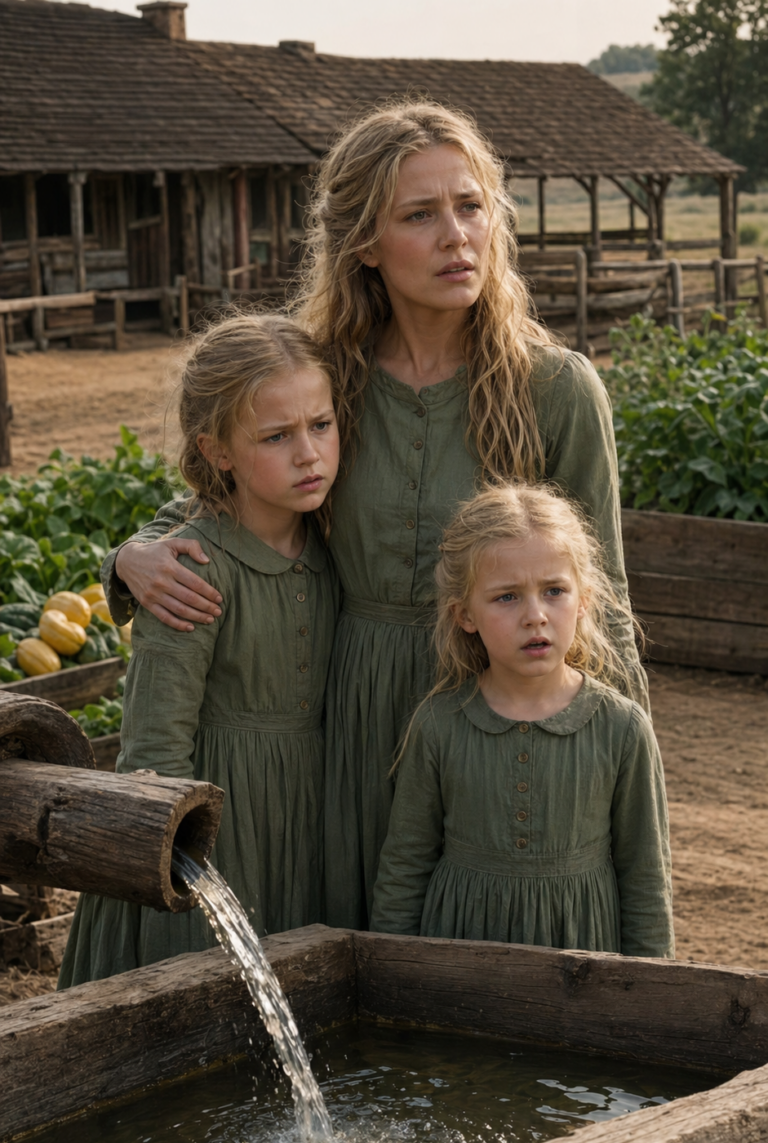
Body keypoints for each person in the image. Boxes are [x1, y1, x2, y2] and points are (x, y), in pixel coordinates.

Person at [98, 101, 648, 933]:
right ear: (364, 243)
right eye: (420, 215)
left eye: (471, 206)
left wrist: (614, 788)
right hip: (345, 718)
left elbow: (601, 600)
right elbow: (238, 479)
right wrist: (132, 553)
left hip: (489, 717)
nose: (456, 235)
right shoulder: (330, 375)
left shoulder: (555, 388)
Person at [58, 314, 340, 987]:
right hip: (212, 838)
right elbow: (154, 751)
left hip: (308, 827)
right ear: (218, 451)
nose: (309, 453)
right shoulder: (188, 571)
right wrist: (177, 867)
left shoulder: (335, 542)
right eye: (276, 436)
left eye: (321, 425)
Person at [370, 484, 674, 957]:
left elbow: (646, 883)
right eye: (507, 597)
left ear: (585, 599)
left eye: (554, 591)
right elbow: (405, 868)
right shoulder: (438, 724)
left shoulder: (623, 729)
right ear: (464, 615)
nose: (535, 616)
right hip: (458, 970)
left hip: (581, 972)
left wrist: (651, 994)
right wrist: (390, 975)